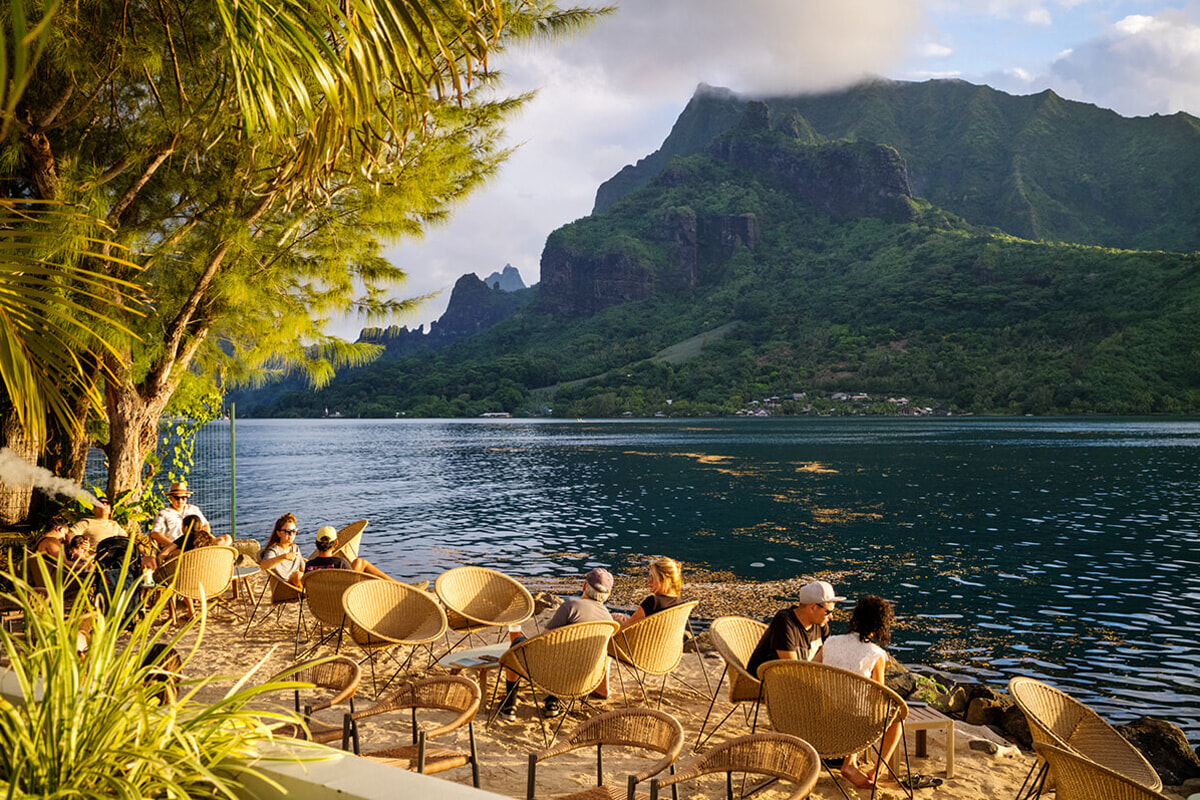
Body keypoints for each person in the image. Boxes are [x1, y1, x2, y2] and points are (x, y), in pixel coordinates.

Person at [497, 567, 615, 722]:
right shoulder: (608, 619)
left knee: (518, 645)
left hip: (554, 674)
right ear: (607, 594)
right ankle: (553, 702)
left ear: (584, 586)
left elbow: (545, 641)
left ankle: (509, 706)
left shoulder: (570, 606)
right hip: (583, 678)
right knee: (565, 654)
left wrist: (521, 641)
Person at [816, 595, 901, 789]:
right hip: (855, 726)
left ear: (855, 618)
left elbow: (810, 670)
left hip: (824, 716)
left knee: (851, 706)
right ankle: (875, 770)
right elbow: (878, 696)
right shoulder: (875, 654)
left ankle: (851, 763)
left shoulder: (830, 642)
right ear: (881, 626)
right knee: (897, 721)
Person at [745, 579, 845, 678]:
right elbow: (794, 671)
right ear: (813, 607)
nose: (831, 617)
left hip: (796, 681)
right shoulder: (784, 621)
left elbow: (831, 656)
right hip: (766, 683)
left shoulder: (820, 623)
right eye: (828, 612)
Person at [149, 482, 230, 557]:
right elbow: (155, 533)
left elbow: (205, 525)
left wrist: (203, 539)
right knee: (179, 553)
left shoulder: (193, 509)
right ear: (171, 498)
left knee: (226, 539)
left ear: (187, 498)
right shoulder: (163, 514)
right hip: (177, 548)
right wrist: (174, 545)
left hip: (197, 543)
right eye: (177, 498)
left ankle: (205, 555)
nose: (180, 501)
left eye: (183, 498)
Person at [303, 526, 398, 581]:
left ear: (316, 544)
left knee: (358, 563)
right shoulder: (340, 563)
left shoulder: (309, 566)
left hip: (318, 606)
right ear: (336, 543)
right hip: (342, 605)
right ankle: (395, 584)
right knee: (361, 563)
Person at [614, 556, 683, 628]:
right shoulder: (681, 604)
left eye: (652, 577)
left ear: (663, 580)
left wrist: (618, 622)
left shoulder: (653, 602)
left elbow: (626, 628)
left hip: (644, 639)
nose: (648, 581)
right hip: (670, 639)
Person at [260, 513, 305, 590]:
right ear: (278, 533)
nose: (291, 534)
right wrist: (284, 556)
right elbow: (263, 565)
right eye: (287, 531)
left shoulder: (295, 548)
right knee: (298, 576)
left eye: (294, 531)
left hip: (298, 583)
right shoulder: (274, 550)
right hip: (284, 587)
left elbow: (303, 568)